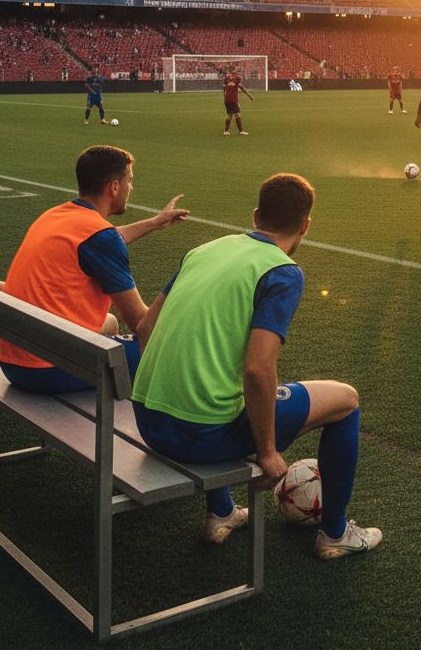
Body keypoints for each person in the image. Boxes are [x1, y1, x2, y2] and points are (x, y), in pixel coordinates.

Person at [132, 174, 380, 559]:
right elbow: (258, 370)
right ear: (306, 225)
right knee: (346, 400)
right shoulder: (282, 271)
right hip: (198, 435)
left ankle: (223, 512)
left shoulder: (205, 250)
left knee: (218, 391)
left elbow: (145, 326)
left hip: (147, 421)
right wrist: (267, 451)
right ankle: (335, 533)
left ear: (255, 216)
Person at [0, 146, 189, 393]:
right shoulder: (101, 238)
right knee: (163, 350)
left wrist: (154, 223)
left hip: (13, 360)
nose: (131, 188)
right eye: (130, 181)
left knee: (107, 323)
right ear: (114, 187)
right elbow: (141, 323)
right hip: (44, 369)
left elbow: (101, 239)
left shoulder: (57, 215)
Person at [222, 70, 253, 136]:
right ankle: (240, 131)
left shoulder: (227, 79)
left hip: (227, 100)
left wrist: (224, 95)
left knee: (230, 115)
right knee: (236, 115)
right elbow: (242, 88)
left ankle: (226, 131)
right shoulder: (237, 79)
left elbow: (224, 87)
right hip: (233, 100)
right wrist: (249, 95)